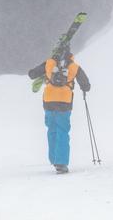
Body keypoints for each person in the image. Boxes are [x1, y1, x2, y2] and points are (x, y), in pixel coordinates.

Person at [28, 44, 90, 174]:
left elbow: (32, 74)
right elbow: (86, 85)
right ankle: (61, 163)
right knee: (62, 131)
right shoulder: (74, 66)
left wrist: (46, 71)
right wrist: (84, 88)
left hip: (49, 101)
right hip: (64, 102)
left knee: (52, 129)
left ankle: (54, 159)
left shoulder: (49, 63)